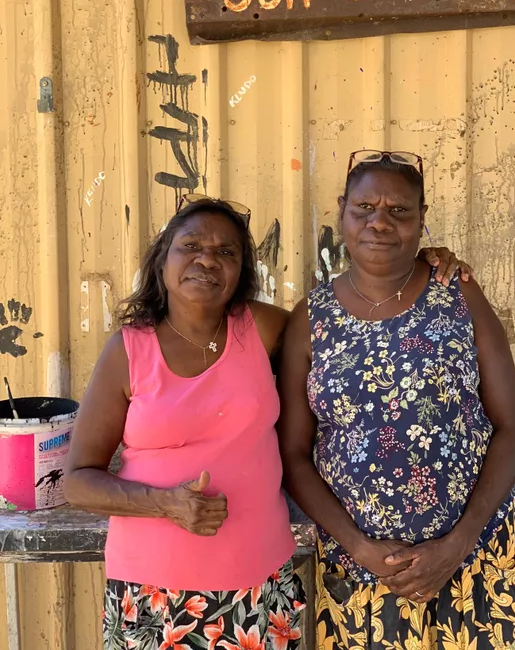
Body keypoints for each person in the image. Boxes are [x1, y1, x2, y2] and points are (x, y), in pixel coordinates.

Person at [64, 192, 469, 650]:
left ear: (241, 272)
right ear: (162, 260)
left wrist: (423, 265)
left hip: (260, 588)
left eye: (225, 252)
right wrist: (165, 504)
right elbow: (78, 481)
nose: (207, 261)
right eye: (191, 246)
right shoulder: (128, 351)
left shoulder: (260, 328)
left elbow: (360, 326)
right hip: (152, 595)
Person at [278, 150, 515, 650]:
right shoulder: (312, 317)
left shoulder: (457, 294)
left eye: (399, 211)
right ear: (342, 213)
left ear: (421, 222)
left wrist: (458, 543)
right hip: (361, 572)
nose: (379, 222)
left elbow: (514, 431)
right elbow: (293, 454)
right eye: (364, 208)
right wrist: (359, 547)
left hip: (472, 559)